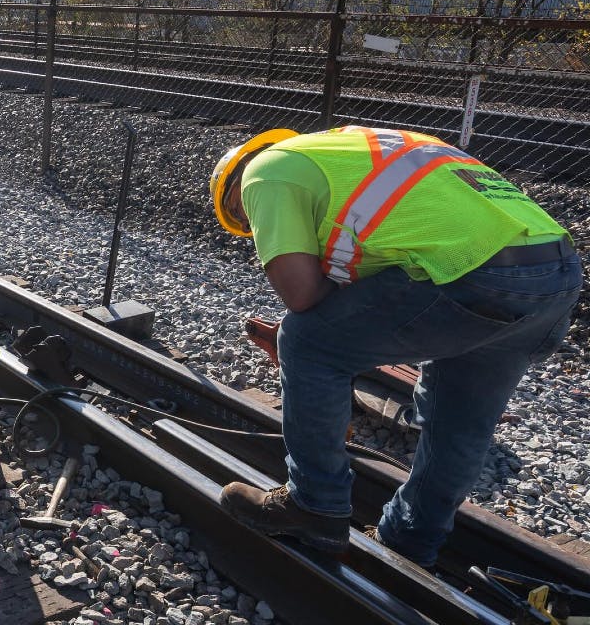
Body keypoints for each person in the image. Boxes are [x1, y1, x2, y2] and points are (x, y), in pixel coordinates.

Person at [209, 125, 582, 567]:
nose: (257, 227)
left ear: (238, 182)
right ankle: (410, 540)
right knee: (458, 418)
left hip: (475, 273)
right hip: (555, 275)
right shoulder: (361, 150)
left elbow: (301, 296)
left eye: (245, 218)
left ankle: (314, 504)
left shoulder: (265, 172)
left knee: (308, 342)